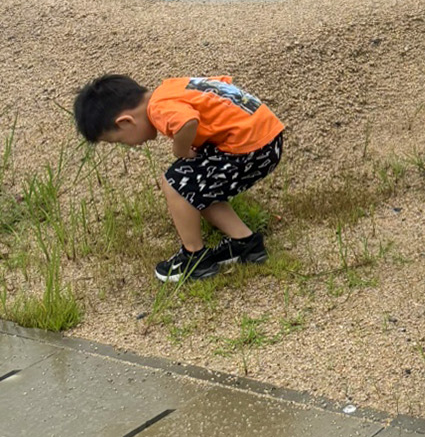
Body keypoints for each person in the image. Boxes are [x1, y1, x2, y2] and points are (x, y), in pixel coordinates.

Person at [73, 73, 284, 283]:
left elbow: (188, 122)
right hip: (266, 137)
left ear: (126, 122)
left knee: (175, 184)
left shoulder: (157, 107)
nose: (128, 145)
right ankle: (246, 244)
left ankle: (195, 258)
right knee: (194, 186)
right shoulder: (171, 87)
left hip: (250, 147)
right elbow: (221, 84)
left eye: (119, 140)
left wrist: (181, 150)